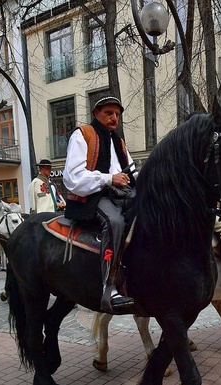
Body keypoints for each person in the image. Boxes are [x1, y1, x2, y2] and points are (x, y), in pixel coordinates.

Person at [63, 96, 135, 312]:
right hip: (92, 198)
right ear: (96, 114)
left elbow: (131, 171)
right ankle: (108, 286)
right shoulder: (83, 134)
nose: (114, 118)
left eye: (117, 114)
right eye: (109, 113)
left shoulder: (119, 142)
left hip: (120, 195)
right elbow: (73, 177)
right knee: (115, 222)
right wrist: (108, 178)